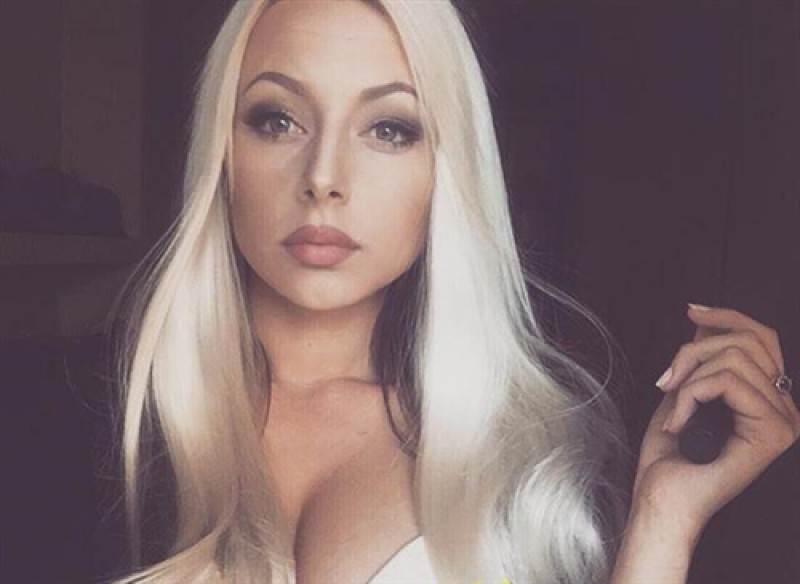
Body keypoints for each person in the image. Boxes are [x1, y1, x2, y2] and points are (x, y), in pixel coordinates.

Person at [111, 1, 799, 583]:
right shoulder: (97, 421)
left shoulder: (526, 459)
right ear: (222, 151)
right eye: (277, 119)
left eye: (389, 129)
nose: (323, 176)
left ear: (448, 169)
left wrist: (664, 520)